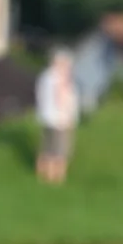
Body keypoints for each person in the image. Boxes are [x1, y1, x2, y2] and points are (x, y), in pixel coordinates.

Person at [34, 47, 80, 185]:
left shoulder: (45, 77)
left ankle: (41, 176)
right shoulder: (60, 79)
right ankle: (56, 178)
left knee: (46, 148)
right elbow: (62, 99)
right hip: (60, 120)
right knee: (60, 152)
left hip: (46, 118)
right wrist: (67, 117)